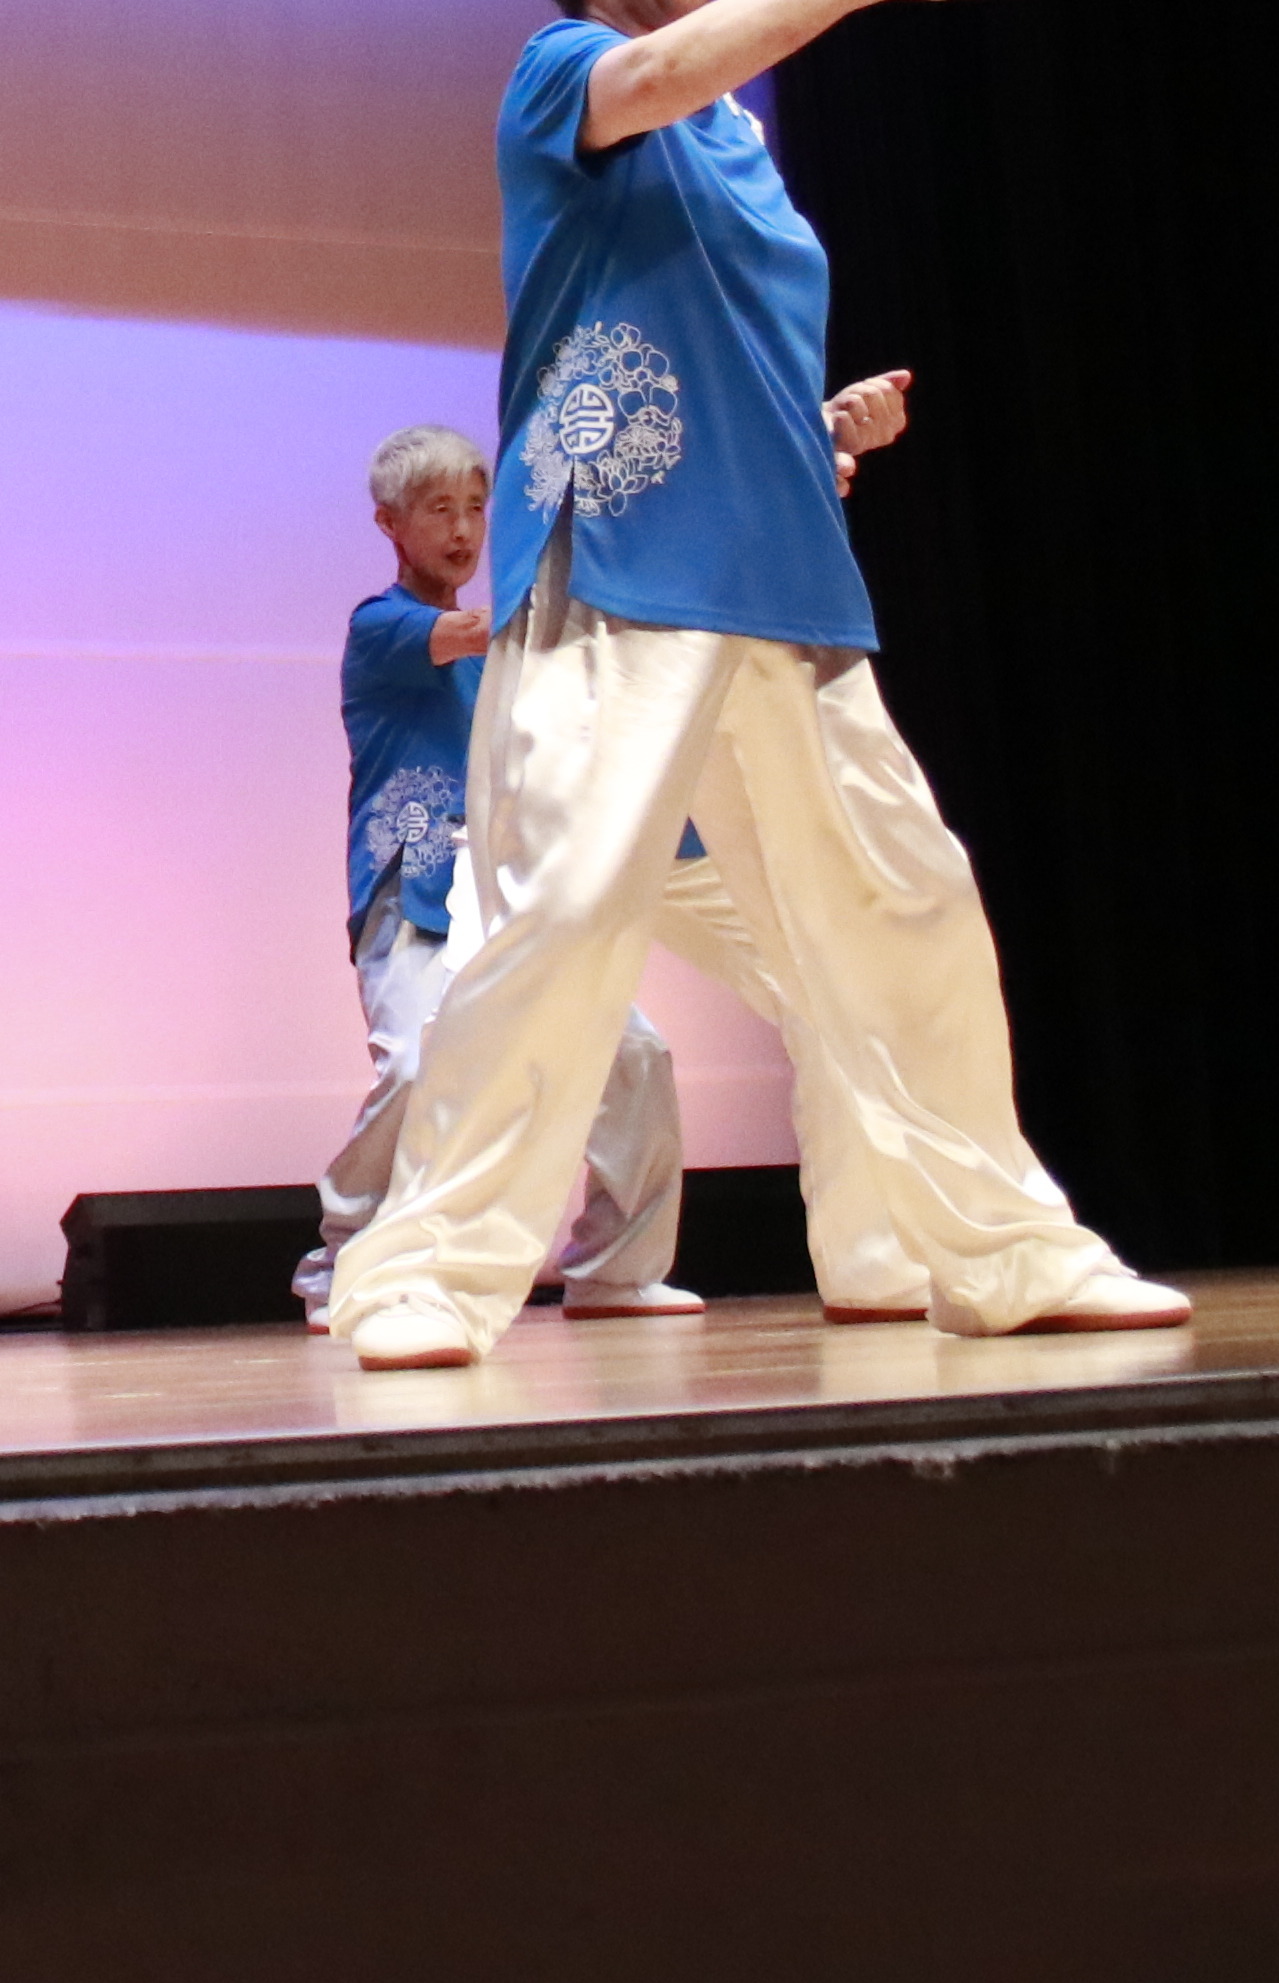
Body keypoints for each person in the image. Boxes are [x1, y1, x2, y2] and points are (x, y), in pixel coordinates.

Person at [321, 0, 1187, 1364]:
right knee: (563, 909)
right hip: (616, 555)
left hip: (780, 573)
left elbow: (738, 347)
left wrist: (820, 440)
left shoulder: (743, 151)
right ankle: (422, 1273)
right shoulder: (563, 72)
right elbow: (658, 78)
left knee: (904, 907)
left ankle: (1001, 1248)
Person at [308, 423, 945, 1329]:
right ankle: (343, 1261)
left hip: (512, 891)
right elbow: (482, 631)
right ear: (389, 523)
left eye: (478, 509)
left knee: (636, 1060)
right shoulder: (385, 628)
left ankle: (614, 1269)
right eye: (439, 510)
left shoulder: (518, 659)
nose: (463, 529)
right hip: (416, 889)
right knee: (415, 1064)